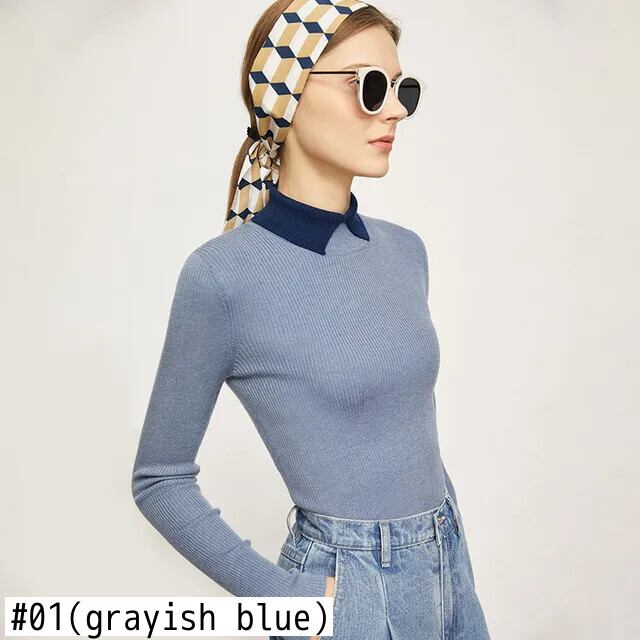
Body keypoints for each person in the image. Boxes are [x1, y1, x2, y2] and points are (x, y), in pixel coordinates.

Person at [131, 1, 492, 638]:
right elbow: (159, 480)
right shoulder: (221, 277)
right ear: (288, 94)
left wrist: (439, 552)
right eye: (369, 86)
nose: (395, 111)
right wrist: (287, 596)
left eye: (402, 88)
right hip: (343, 591)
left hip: (449, 564)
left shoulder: (405, 251)